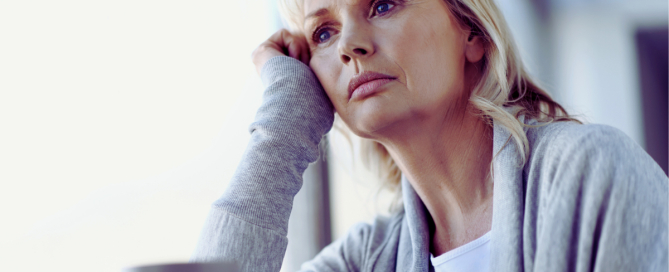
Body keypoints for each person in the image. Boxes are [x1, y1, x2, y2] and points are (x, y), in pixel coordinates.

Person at [190, 0, 668, 271]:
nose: (350, 46)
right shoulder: (364, 262)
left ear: (472, 33)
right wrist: (282, 125)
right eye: (322, 34)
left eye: (382, 4)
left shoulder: (591, 174)